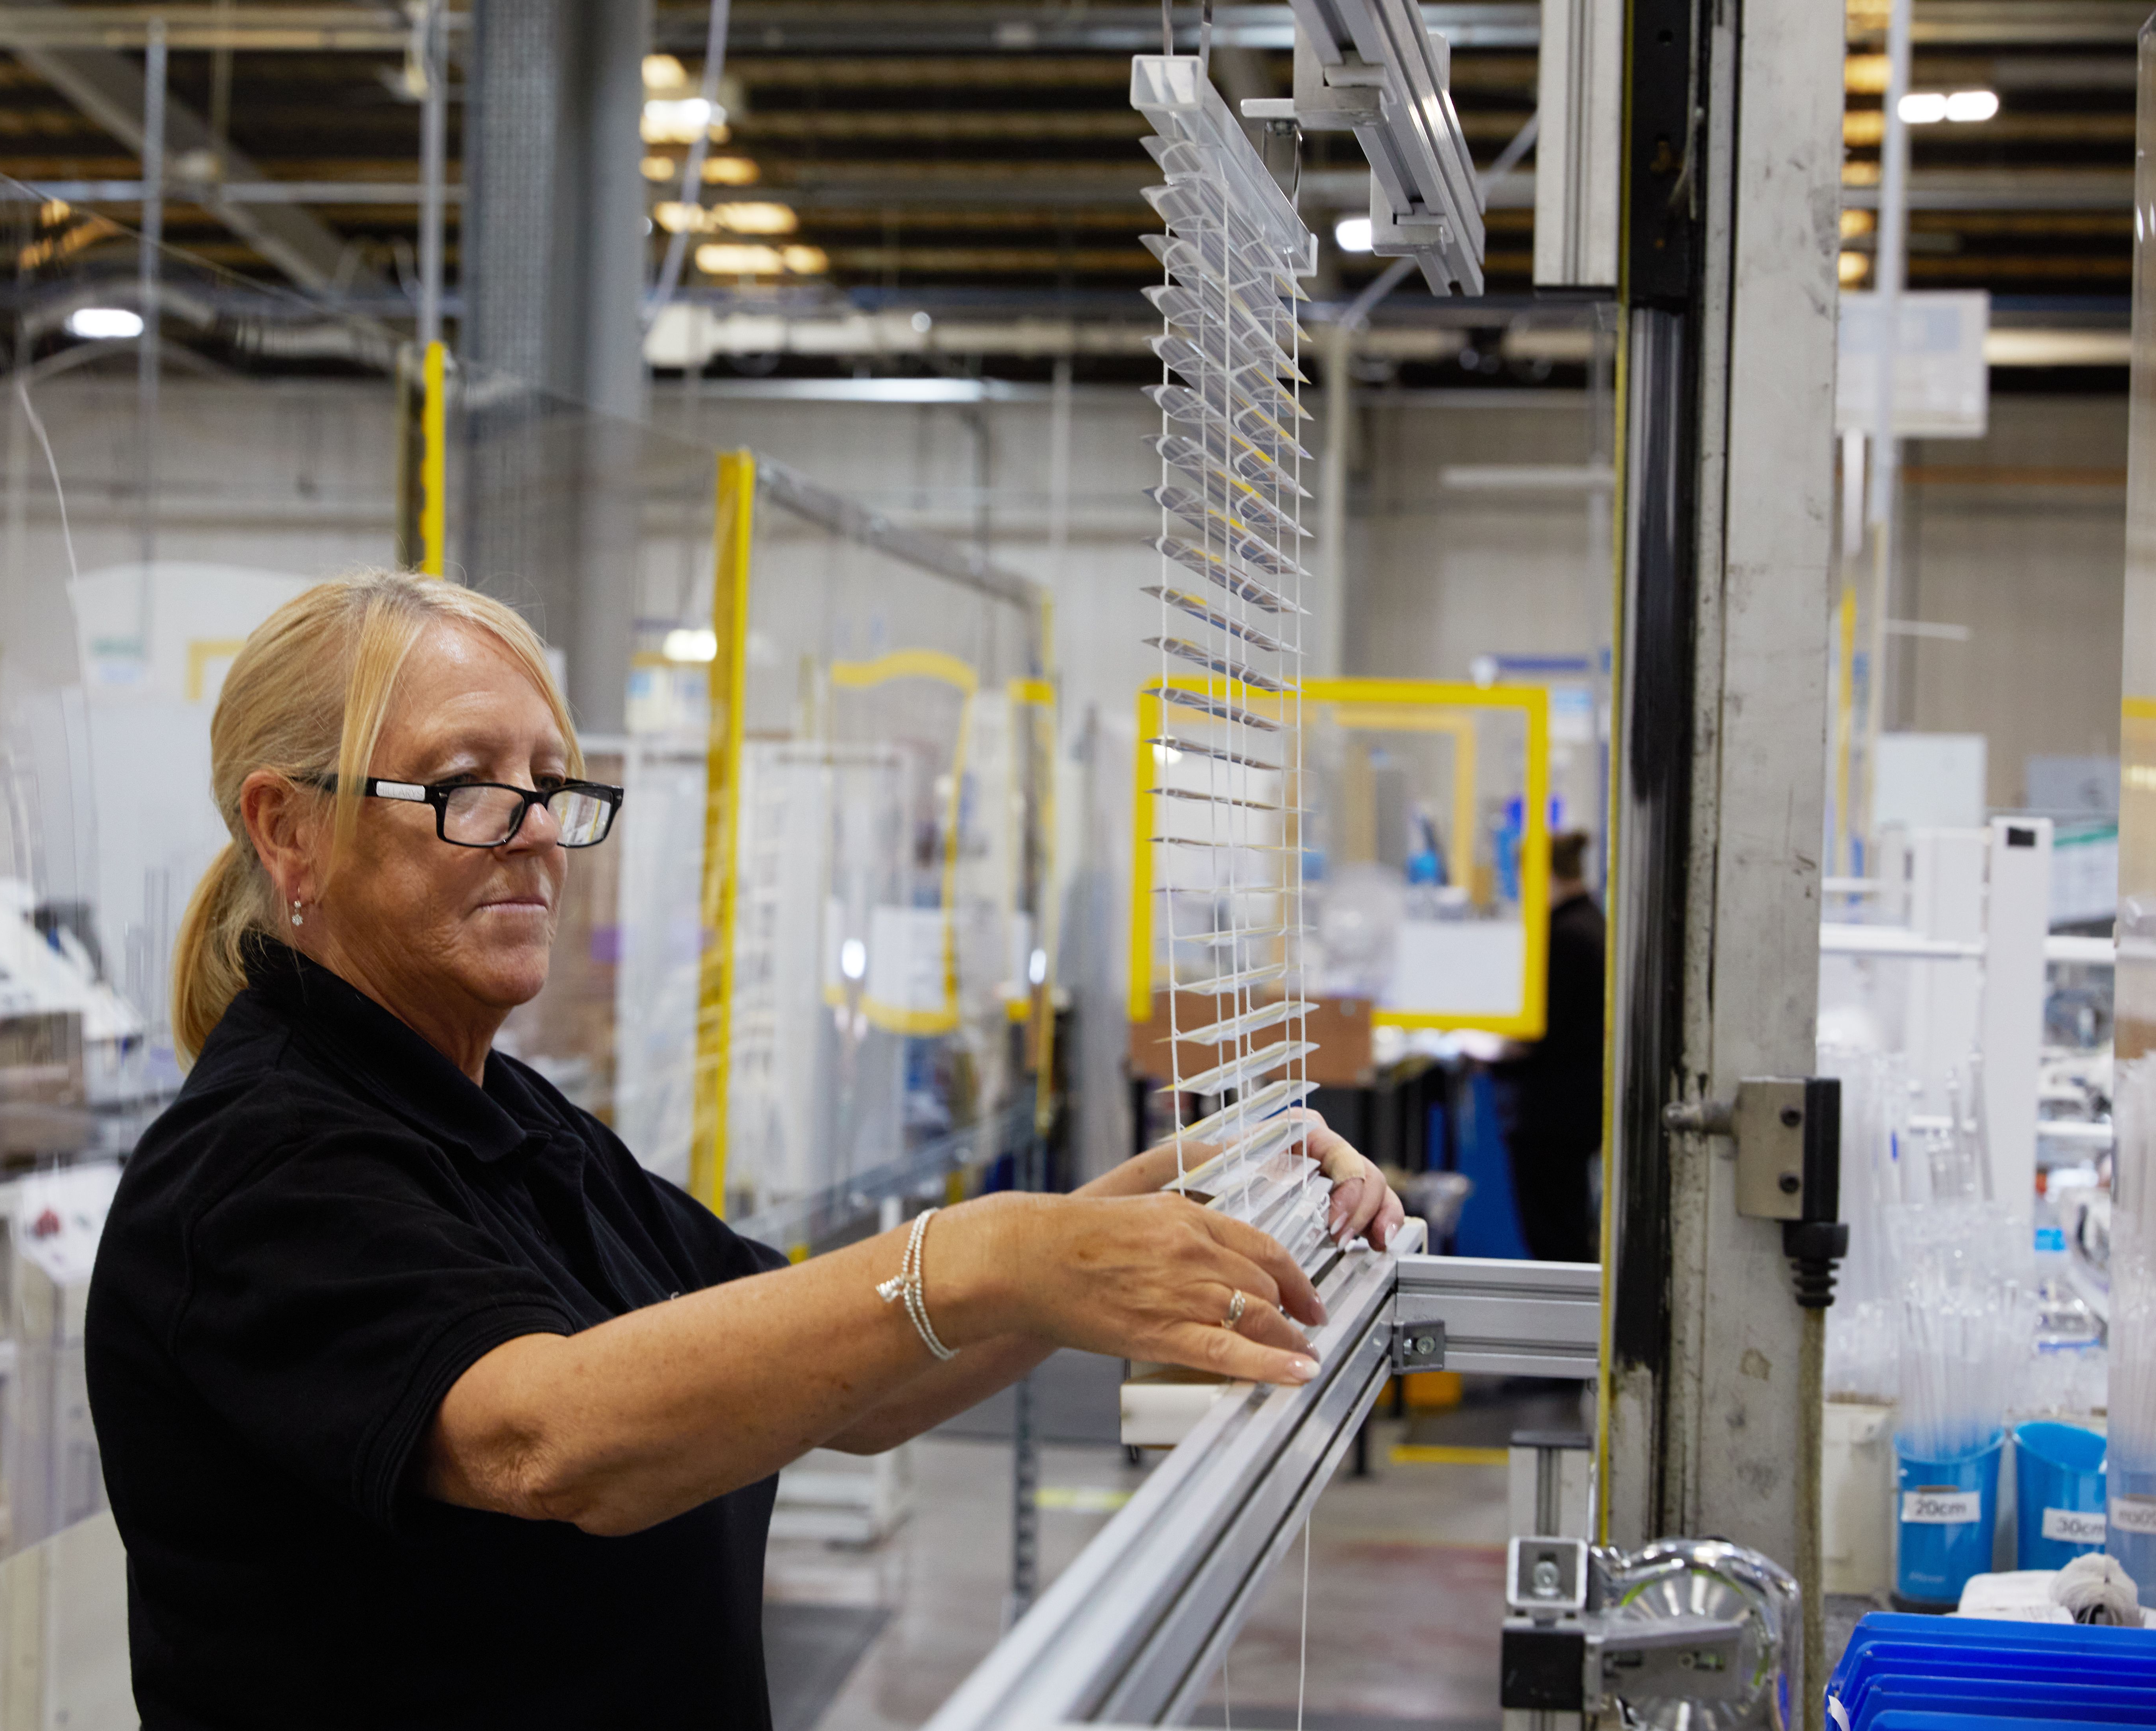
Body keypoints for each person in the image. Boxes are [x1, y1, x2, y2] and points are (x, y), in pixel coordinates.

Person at [84, 571, 1406, 1731]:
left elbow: (861, 1380)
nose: (539, 828)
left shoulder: (511, 1125)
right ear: (288, 827)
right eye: (469, 787)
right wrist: (989, 1253)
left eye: (550, 782)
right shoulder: (258, 1173)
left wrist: (1186, 1192)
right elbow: (548, 1441)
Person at [1495, 829, 1607, 1265]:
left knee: (1553, 1236)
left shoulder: (1565, 937)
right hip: (1574, 1111)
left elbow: (1537, 1035)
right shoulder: (1592, 923)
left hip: (1551, 1117)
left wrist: (1490, 1052)